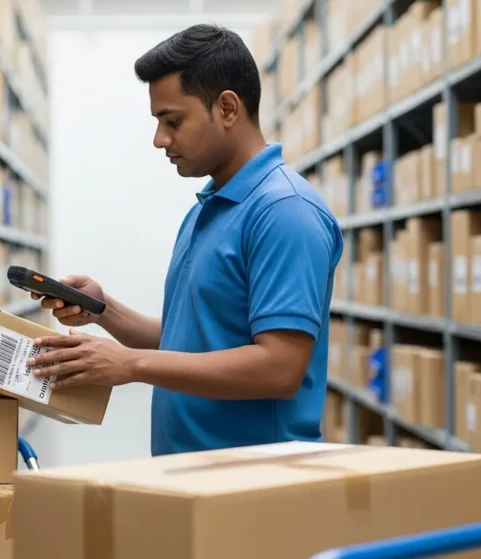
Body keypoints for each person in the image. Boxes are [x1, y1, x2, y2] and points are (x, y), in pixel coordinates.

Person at [27, 24, 344, 455]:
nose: (160, 139)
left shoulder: (285, 212)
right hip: (192, 473)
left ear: (227, 108)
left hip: (254, 477)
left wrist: (130, 364)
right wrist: (103, 311)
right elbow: (190, 340)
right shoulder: (207, 209)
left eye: (173, 121)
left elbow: (280, 368)